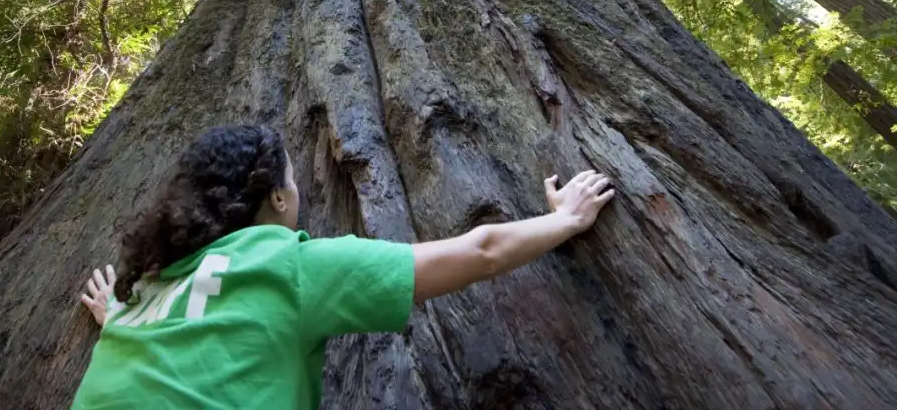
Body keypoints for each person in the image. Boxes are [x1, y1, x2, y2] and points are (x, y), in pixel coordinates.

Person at [71, 124, 614, 409]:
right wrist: (564, 222)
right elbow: (480, 253)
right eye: (292, 178)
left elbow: (167, 352)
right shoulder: (288, 266)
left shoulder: (151, 284)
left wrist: (117, 318)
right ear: (278, 200)